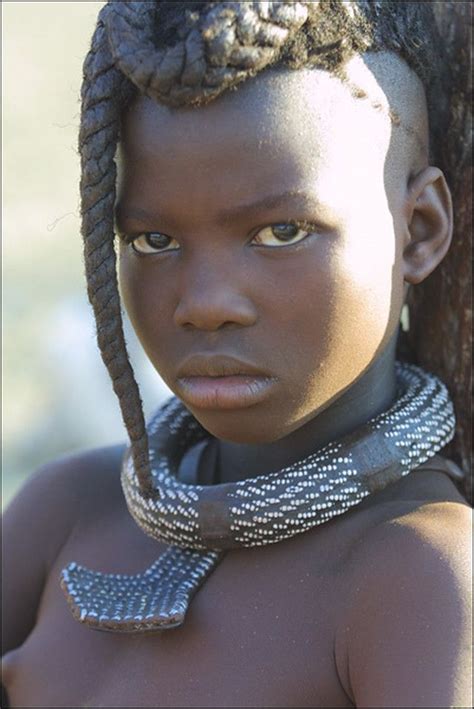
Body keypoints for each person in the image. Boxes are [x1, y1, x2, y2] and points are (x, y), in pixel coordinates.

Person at [2, 2, 472, 707]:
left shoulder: (419, 575)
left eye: (281, 231)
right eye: (153, 242)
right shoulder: (65, 509)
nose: (203, 302)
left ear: (420, 230)